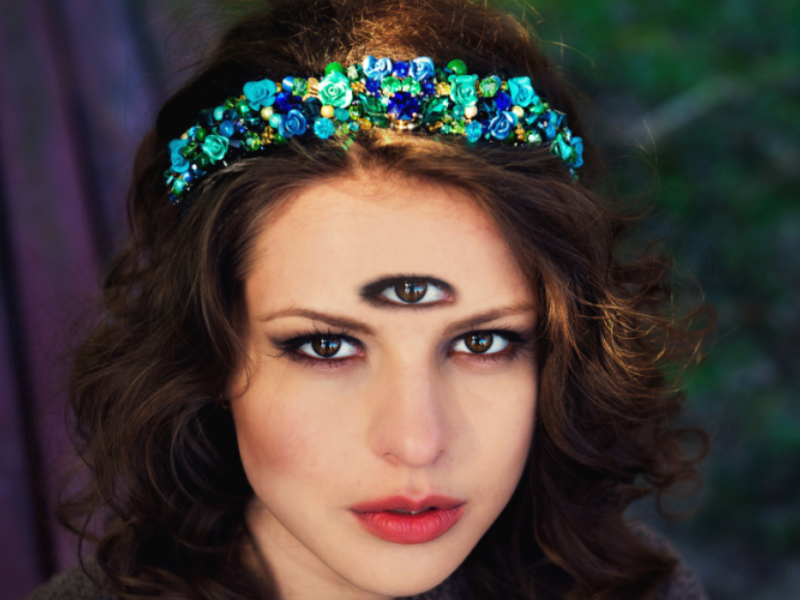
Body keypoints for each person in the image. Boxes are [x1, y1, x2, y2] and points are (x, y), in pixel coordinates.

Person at [28, 0, 712, 599]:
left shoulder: (633, 587)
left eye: (482, 342)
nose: (416, 443)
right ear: (207, 350)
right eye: (327, 346)